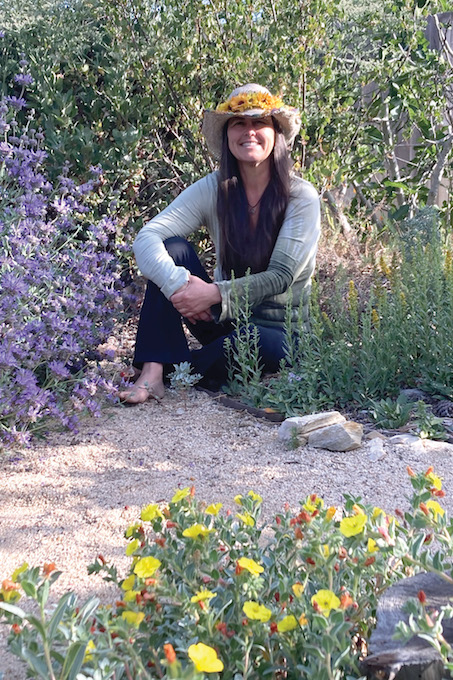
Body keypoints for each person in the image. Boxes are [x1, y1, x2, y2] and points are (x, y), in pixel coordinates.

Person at [119, 83, 321, 404]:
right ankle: (154, 372)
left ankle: (174, 367)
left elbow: (281, 276)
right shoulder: (215, 188)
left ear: (276, 133)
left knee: (248, 342)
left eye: (259, 123)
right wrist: (178, 285)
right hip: (225, 320)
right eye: (239, 123)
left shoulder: (301, 197)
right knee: (173, 249)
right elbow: (148, 237)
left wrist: (211, 294)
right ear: (228, 136)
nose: (249, 131)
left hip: (281, 335)